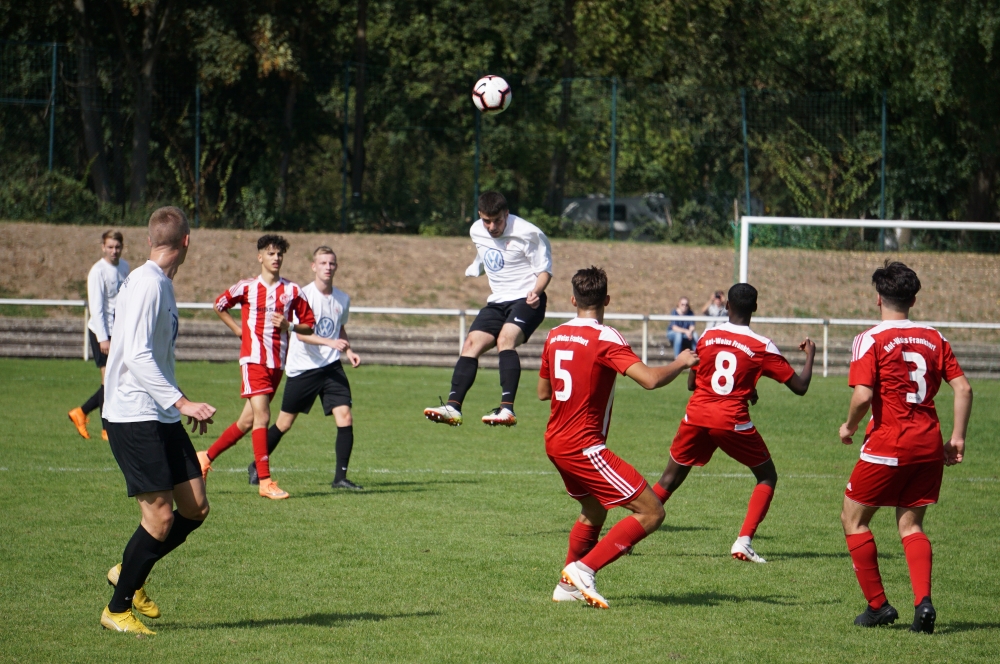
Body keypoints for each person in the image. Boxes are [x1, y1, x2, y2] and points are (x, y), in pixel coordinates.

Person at [540, 266, 699, 609]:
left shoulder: (554, 335)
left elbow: (542, 391)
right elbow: (650, 380)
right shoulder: (606, 337)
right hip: (583, 445)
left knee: (594, 509)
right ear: (607, 300)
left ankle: (566, 587)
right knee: (652, 512)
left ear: (572, 299)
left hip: (555, 441)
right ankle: (584, 569)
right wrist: (681, 361)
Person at [100, 206, 216, 635]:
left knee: (195, 507)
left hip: (159, 413)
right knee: (161, 520)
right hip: (134, 415)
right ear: (187, 242)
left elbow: (157, 357)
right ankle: (117, 608)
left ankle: (128, 569)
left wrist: (174, 405)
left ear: (151, 240)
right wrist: (183, 402)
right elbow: (135, 355)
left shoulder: (161, 283)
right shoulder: (148, 284)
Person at [838, 261, 972, 633]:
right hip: (928, 446)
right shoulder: (934, 337)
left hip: (886, 444)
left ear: (878, 299)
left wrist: (849, 426)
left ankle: (878, 606)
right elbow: (963, 388)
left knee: (854, 519)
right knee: (911, 525)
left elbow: (863, 394)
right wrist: (957, 438)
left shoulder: (871, 338)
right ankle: (923, 604)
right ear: (913, 299)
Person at [652, 283, 815, 564]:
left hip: (697, 416)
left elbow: (693, 382)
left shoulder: (708, 335)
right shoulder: (761, 345)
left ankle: (624, 539)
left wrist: (743, 387)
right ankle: (744, 541)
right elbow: (799, 387)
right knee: (767, 476)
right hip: (730, 421)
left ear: (727, 306)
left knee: (670, 478)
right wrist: (810, 354)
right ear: (755, 308)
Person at [197, 235, 315, 500]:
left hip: (276, 365)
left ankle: (204, 457)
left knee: (247, 421)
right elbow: (219, 304)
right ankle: (265, 481)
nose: (276, 258)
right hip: (253, 360)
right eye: (270, 253)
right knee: (263, 418)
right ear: (260, 257)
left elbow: (309, 324)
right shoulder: (247, 287)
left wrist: (289, 326)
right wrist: (238, 330)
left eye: (279, 254)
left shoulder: (293, 291)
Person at [424, 191, 552, 427]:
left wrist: (536, 290)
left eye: (497, 220)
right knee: (470, 344)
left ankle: (507, 410)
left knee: (506, 339)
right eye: (486, 221)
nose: (491, 226)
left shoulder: (529, 233)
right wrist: (477, 267)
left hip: (527, 299)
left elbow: (544, 270)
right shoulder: (476, 230)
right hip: (497, 302)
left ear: (507, 214)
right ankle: (453, 407)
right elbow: (485, 252)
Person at [244, 246, 364, 491]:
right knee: (284, 424)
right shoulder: (303, 295)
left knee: (345, 417)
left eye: (331, 263)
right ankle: (256, 465)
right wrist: (331, 342)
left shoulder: (343, 298)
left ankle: (340, 478)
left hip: (331, 367)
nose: (327, 267)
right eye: (323, 263)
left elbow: (339, 328)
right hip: (304, 369)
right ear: (314, 266)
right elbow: (301, 334)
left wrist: (348, 351)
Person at [68, 230, 129, 441]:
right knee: (108, 380)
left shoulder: (125, 267)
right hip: (102, 332)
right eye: (110, 247)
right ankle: (106, 430)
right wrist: (103, 337)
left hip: (119, 332)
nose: (114, 251)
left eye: (117, 247)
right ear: (103, 247)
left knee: (116, 379)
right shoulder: (98, 271)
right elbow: (96, 307)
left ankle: (81, 412)